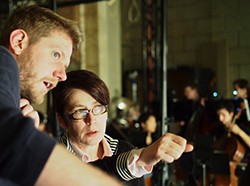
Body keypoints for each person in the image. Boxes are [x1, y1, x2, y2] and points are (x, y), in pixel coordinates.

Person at [0, 5, 122, 186]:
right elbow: (13, 140)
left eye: (65, 66)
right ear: (19, 42)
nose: (62, 75)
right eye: (56, 54)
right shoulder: (4, 62)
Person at [52, 69, 194, 184]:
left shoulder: (124, 150)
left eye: (98, 108)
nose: (91, 119)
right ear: (62, 120)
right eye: (80, 112)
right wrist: (139, 159)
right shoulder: (52, 159)